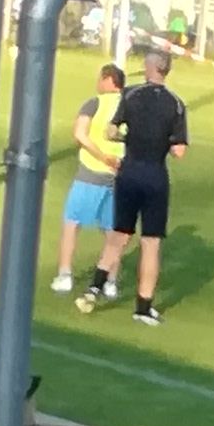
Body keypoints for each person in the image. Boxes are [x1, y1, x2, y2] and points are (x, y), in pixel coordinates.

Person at [78, 39, 187, 327]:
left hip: (129, 173)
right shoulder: (176, 104)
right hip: (155, 177)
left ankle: (94, 287)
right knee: (151, 243)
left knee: (120, 235)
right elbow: (179, 151)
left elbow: (110, 131)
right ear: (166, 71)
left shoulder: (131, 95)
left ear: (149, 68)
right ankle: (143, 307)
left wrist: (129, 137)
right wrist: (161, 142)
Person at [55, 61, 128, 296]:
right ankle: (111, 282)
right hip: (119, 178)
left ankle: (65, 275)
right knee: (113, 231)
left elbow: (80, 134)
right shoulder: (130, 106)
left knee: (72, 223)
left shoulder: (95, 103)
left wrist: (102, 157)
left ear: (108, 80)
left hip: (91, 173)